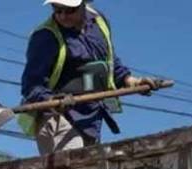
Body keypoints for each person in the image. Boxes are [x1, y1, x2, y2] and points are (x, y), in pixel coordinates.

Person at [21, 0, 160, 155]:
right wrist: (52, 101)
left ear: (83, 4)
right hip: (59, 118)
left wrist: (131, 81)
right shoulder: (45, 37)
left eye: (69, 11)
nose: (63, 16)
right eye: (57, 10)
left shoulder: (99, 22)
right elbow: (31, 85)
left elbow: (108, 60)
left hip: (91, 116)